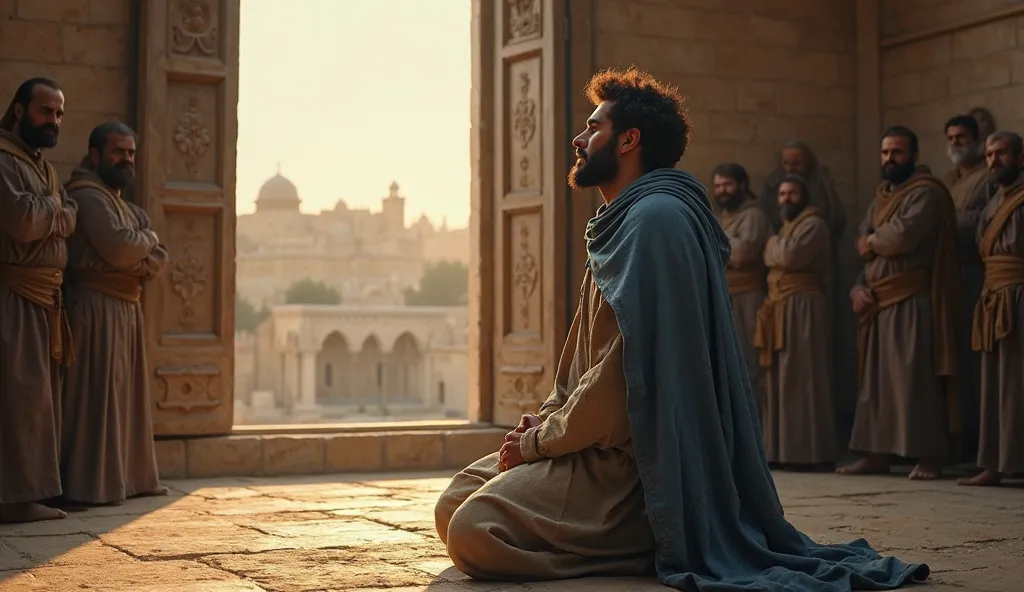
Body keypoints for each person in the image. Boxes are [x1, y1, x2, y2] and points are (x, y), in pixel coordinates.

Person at [435, 66, 928, 590]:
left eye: (593, 127)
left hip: (636, 467)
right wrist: (543, 424)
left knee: (472, 532)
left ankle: (649, 540)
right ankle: (612, 536)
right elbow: (581, 363)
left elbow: (622, 381)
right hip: (584, 443)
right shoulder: (623, 220)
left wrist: (540, 446)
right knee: (449, 505)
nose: (579, 139)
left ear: (629, 140)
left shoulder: (655, 222)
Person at [839, 126, 962, 481]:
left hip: (911, 298)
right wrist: (858, 288)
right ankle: (875, 454)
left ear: (914, 155)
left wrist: (873, 240)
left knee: (915, 379)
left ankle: (928, 457)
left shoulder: (926, 192)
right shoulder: (880, 197)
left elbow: (902, 237)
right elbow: (861, 245)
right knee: (875, 385)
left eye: (897, 152)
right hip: (878, 299)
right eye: (885, 153)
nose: (890, 159)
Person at [58, 121, 169, 506]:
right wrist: (147, 239)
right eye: (118, 151)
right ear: (96, 155)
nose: (127, 159)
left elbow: (158, 261)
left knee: (124, 399)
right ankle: (88, 486)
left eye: (131, 152)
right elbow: (123, 249)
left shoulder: (120, 203)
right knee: (94, 398)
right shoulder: (88, 196)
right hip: (95, 309)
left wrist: (141, 247)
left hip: (126, 308)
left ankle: (127, 480)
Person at [0, 78, 77, 523]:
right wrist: (54, 212)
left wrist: (49, 209)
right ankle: (14, 499)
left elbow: (71, 216)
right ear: (18, 110)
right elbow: (24, 222)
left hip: (45, 299)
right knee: (19, 397)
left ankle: (30, 492)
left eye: (60, 114)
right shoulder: (5, 160)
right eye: (46, 111)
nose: (54, 121)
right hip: (14, 295)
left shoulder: (42, 168)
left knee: (37, 399)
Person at [755, 174, 836, 469]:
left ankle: (808, 453)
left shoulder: (814, 224)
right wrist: (776, 246)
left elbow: (789, 256)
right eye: (782, 194)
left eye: (792, 193)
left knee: (803, 378)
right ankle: (780, 450)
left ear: (804, 197)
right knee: (780, 380)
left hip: (803, 308)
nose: (786, 199)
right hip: (780, 307)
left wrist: (773, 245)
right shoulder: (787, 227)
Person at [960, 131, 1024, 487]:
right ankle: (995, 463)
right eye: (989, 154)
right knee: (995, 384)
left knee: (1018, 383)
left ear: (1020, 157)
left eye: (1001, 153)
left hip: (1019, 294)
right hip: (993, 296)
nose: (994, 160)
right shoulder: (992, 203)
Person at [941, 114, 992, 461]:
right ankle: (954, 439)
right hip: (945, 277)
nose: (956, 143)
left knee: (976, 361)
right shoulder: (945, 182)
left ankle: (980, 441)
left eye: (962, 137)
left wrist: (943, 223)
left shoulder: (988, 178)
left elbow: (983, 220)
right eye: (951, 138)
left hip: (974, 274)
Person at [711, 163, 770, 416]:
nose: (722, 191)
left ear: (742, 186)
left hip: (748, 300)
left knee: (747, 366)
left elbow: (743, 252)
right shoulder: (722, 217)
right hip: (725, 297)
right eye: (718, 186)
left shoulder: (753, 215)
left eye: (728, 185)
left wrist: (713, 242)